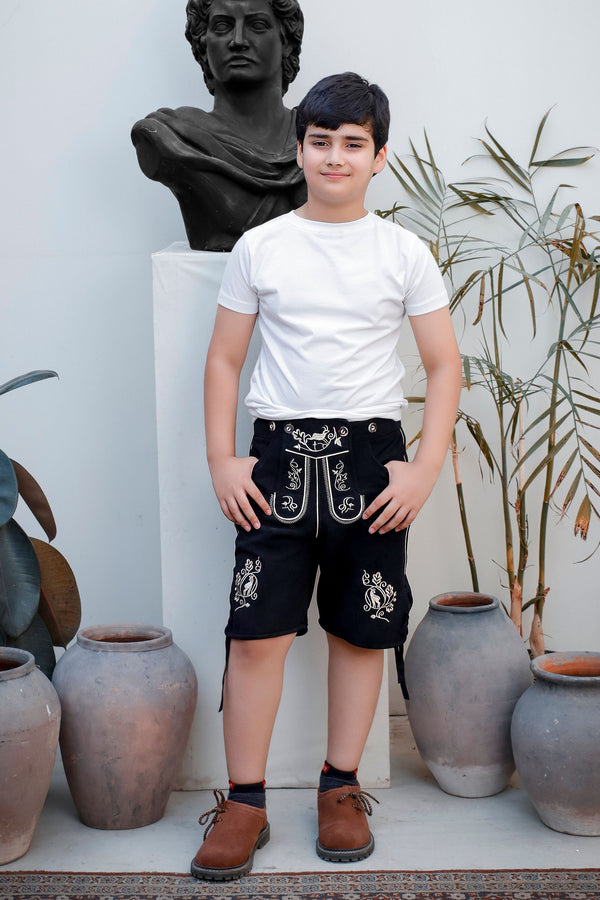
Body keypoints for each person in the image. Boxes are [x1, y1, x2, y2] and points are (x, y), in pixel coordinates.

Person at [192, 72, 462, 880]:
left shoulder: (403, 252)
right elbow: (225, 358)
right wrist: (222, 455)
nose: (335, 157)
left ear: (380, 156)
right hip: (274, 461)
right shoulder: (262, 247)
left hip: (372, 462)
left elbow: (444, 365)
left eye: (354, 144)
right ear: (300, 148)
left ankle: (340, 787)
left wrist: (421, 466)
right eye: (320, 142)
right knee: (257, 632)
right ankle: (244, 801)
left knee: (359, 626)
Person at [131, 0, 307, 251]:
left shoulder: (318, 139)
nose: (237, 40)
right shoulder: (170, 137)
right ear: (203, 42)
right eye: (222, 26)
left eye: (257, 25)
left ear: (286, 42)